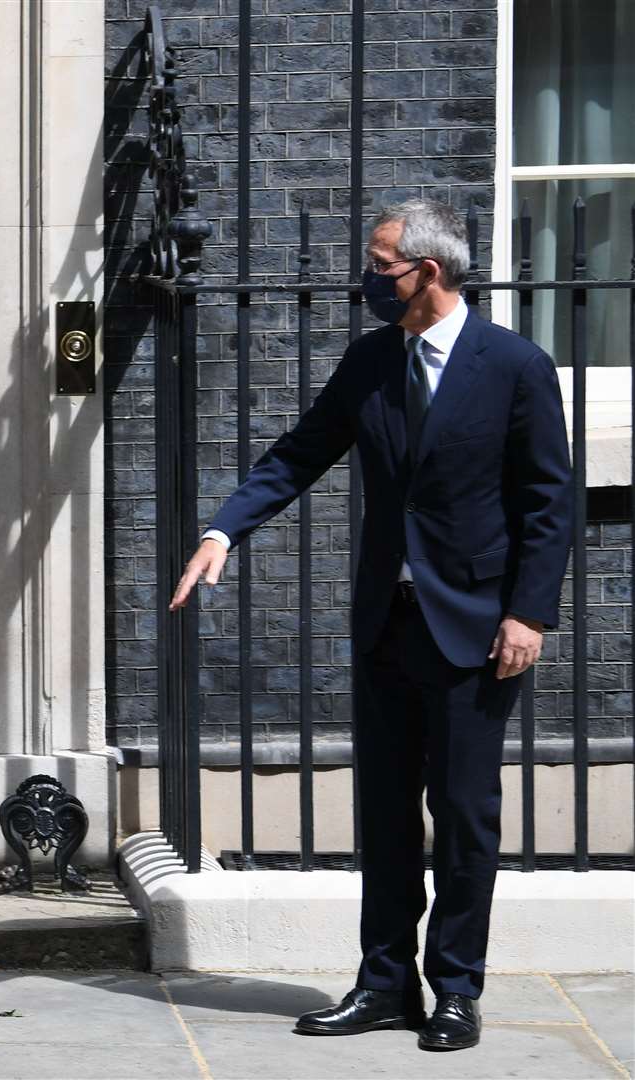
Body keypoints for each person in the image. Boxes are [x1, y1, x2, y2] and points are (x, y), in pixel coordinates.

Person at [170, 199, 571, 1051]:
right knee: (385, 815)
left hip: (475, 628)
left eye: (379, 266)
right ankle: (383, 983)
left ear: (426, 272)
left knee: (463, 816)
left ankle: (455, 990)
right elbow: (297, 452)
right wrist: (221, 530)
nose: (368, 279)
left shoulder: (513, 365)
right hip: (386, 625)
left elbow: (548, 503)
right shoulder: (368, 363)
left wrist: (528, 612)